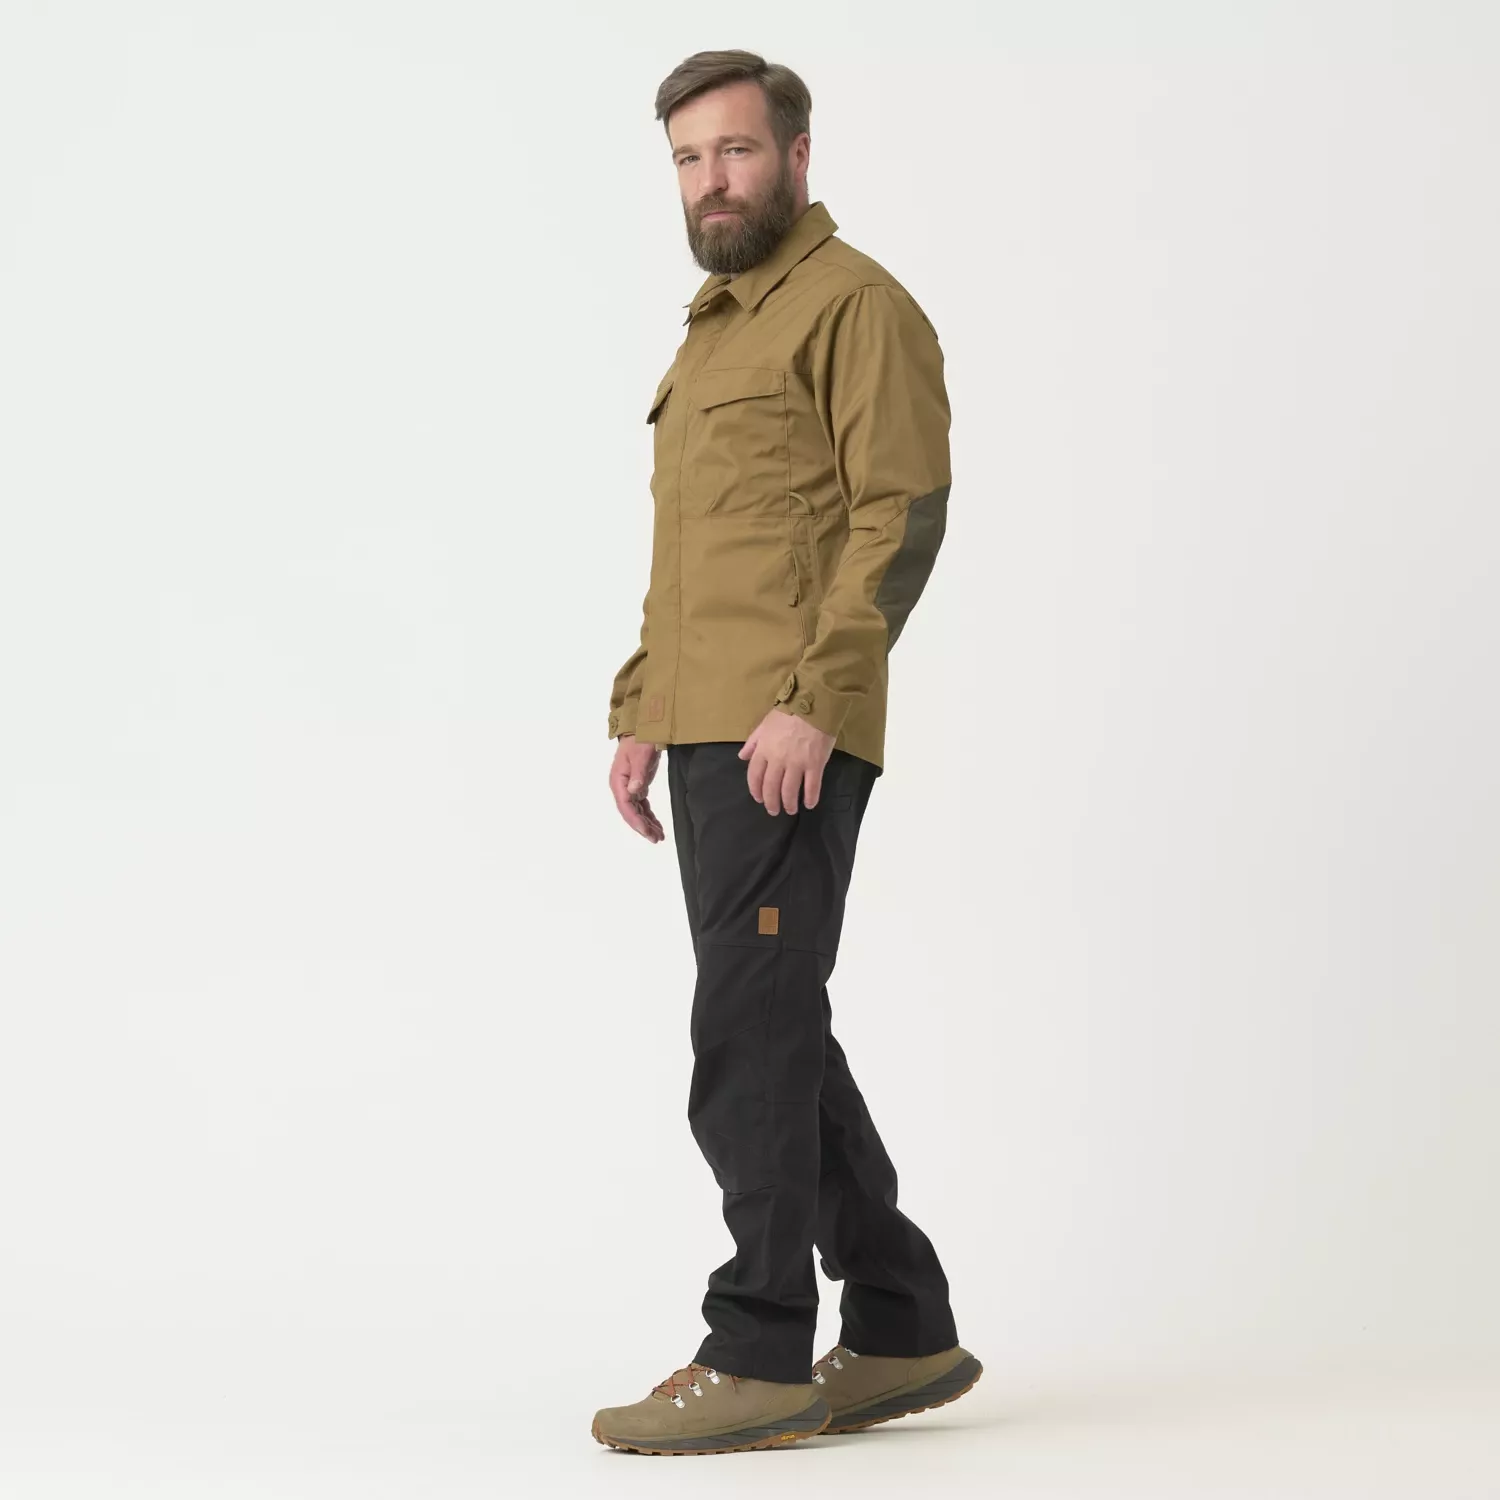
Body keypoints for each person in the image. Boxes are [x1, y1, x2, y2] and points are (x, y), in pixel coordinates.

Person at [594, 50, 981, 1457]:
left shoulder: (854, 307)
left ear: (798, 157)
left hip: (786, 734)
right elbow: (701, 549)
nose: (712, 182)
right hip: (706, 730)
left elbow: (900, 511)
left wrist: (816, 700)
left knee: (745, 1036)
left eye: (737, 151)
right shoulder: (713, 334)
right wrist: (644, 705)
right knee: (772, 1026)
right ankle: (901, 1322)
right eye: (689, 160)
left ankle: (756, 1349)